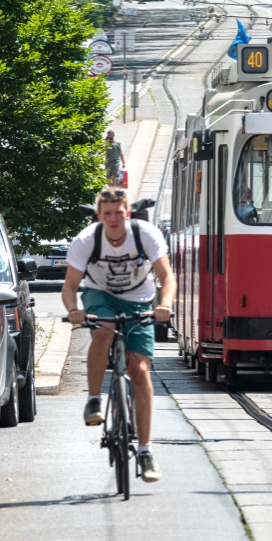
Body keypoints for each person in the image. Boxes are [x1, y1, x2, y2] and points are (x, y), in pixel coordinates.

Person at [62, 187, 175, 482]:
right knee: (103, 332)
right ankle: (94, 398)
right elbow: (70, 285)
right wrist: (74, 310)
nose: (113, 219)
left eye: (118, 213)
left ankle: (145, 450)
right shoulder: (87, 239)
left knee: (140, 371)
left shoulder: (146, 235)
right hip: (100, 294)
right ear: (100, 216)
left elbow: (166, 277)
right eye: (107, 213)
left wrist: (164, 305)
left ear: (128, 213)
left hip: (139, 298)